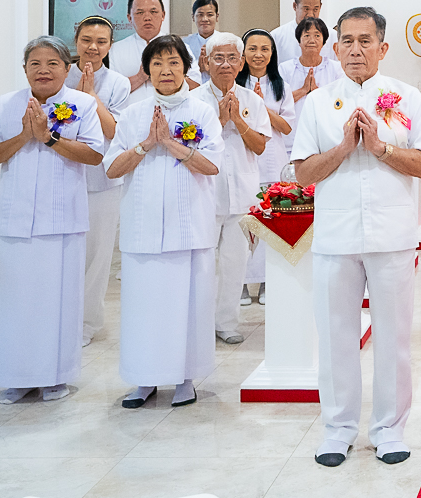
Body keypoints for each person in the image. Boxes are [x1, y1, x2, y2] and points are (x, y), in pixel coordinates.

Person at [292, 7, 421, 467]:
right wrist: (343, 148)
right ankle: (338, 430)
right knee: (336, 336)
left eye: (365, 40)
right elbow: (303, 174)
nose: (356, 50)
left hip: (392, 235)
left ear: (382, 47)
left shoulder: (406, 97)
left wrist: (380, 148)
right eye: (347, 41)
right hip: (335, 237)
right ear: (335, 49)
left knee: (393, 337)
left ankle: (389, 430)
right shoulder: (318, 103)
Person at [0, 36, 105, 403]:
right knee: (14, 303)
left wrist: (48, 139)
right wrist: (24, 136)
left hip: (62, 220)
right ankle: (16, 377)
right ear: (25, 69)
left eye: (52, 64)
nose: (43, 70)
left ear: (67, 68)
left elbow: (95, 155)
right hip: (14, 222)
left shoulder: (82, 104)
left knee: (57, 303)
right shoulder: (7, 104)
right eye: (35, 63)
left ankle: (55, 377)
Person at [105, 35, 223, 409]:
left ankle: (185, 379)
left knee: (187, 309)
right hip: (143, 232)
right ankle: (144, 379)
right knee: (144, 311)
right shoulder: (133, 114)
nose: (166, 70)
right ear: (147, 70)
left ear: (185, 67)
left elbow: (212, 165)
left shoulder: (202, 110)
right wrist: (145, 145)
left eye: (173, 62)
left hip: (189, 229)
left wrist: (172, 144)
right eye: (157, 63)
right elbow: (111, 169)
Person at [192, 32, 272, 344]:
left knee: (235, 263)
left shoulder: (253, 100)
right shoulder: (194, 100)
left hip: (242, 194)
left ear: (241, 64)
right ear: (207, 62)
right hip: (205, 194)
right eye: (218, 58)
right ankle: (199, 324)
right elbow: (190, 144)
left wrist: (237, 119)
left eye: (231, 59)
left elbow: (260, 146)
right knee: (203, 264)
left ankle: (226, 323)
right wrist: (217, 118)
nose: (225, 64)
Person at [66, 16, 131, 346]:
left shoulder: (118, 83)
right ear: (76, 40)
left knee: (97, 255)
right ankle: (60, 318)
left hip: (103, 180)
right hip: (63, 175)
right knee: (65, 252)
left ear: (110, 46)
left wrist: (91, 95)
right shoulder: (60, 74)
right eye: (87, 40)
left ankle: (87, 322)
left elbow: (114, 131)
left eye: (101, 42)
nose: (93, 47)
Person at [238, 28, 296, 303]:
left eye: (265, 49)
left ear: (272, 54)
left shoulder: (281, 86)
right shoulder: (234, 84)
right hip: (243, 158)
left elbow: (286, 127)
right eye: (252, 48)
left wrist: (262, 107)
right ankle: (239, 281)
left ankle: (265, 281)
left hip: (273, 160)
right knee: (242, 221)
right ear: (243, 53)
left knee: (270, 222)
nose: (258, 54)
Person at [113, 0, 169, 100]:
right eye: (140, 13)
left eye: (153, 12)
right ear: (130, 18)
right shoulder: (115, 50)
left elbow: (196, 86)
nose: (147, 17)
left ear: (163, 15)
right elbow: (110, 91)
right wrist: (140, 77)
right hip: (129, 110)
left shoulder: (179, 47)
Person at [282, 17, 344, 104]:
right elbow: (279, 103)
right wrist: (303, 90)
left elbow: (340, 101)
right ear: (299, 40)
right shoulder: (285, 69)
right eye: (307, 35)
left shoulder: (336, 68)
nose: (312, 40)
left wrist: (317, 92)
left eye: (317, 36)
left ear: (324, 41)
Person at [271, 0, 336, 66]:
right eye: (306, 9)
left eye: (315, 9)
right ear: (295, 6)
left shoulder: (333, 36)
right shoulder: (277, 36)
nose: (310, 14)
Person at [183, 0, 220, 85]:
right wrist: (198, 68)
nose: (205, 19)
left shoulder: (226, 41)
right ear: (193, 17)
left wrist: (211, 67)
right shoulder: (185, 43)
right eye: (200, 15)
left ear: (217, 17)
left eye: (210, 15)